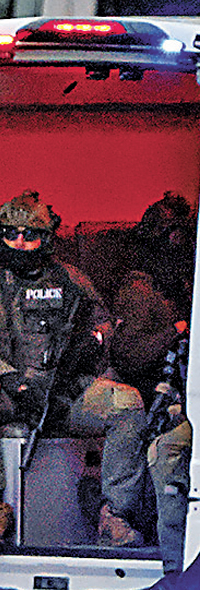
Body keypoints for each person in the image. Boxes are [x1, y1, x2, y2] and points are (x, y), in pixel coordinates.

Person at [0, 190, 147, 545]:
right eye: (11, 234)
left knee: (126, 403)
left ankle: (114, 514)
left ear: (46, 238)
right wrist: (13, 382)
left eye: (30, 235)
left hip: (66, 394)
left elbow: (104, 323)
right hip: (11, 394)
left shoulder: (70, 280)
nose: (20, 243)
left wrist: (94, 342)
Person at [109, 193, 196, 569]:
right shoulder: (140, 293)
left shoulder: (179, 287)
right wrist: (179, 328)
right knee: (166, 454)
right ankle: (173, 566)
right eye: (176, 237)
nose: (182, 246)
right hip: (155, 398)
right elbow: (130, 356)